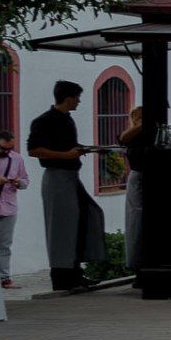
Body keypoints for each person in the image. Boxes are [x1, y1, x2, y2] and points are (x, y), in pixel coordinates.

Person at [27, 81, 105, 291]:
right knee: (61, 227)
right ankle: (62, 277)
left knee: (83, 218)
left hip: (71, 177)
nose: (79, 101)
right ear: (68, 98)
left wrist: (83, 149)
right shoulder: (43, 121)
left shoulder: (67, 119)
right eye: (77, 97)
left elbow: (66, 147)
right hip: (57, 177)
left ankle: (75, 272)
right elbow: (34, 150)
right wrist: (66, 155)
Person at [119, 107, 153, 271]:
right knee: (136, 219)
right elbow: (123, 139)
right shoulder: (139, 134)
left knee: (135, 219)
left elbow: (123, 139)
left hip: (138, 178)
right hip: (139, 177)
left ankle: (137, 261)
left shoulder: (137, 135)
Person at [0, 129, 29, 289]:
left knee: (5, 245)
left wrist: (19, 183)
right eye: (3, 148)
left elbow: (26, 180)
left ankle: (4, 278)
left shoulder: (17, 159)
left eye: (10, 148)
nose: (7, 151)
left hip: (8, 207)